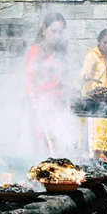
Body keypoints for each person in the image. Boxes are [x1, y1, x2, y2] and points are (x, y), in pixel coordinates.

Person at [25, 12, 68, 155]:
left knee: (58, 143)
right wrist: (34, 103)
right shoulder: (36, 50)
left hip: (58, 104)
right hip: (41, 104)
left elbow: (64, 76)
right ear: (44, 29)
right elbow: (28, 78)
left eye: (60, 32)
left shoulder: (61, 51)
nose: (57, 36)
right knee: (43, 144)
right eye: (53, 31)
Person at [81, 29, 107, 162]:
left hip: (106, 99)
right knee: (93, 129)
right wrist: (85, 75)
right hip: (93, 99)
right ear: (99, 41)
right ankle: (92, 158)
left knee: (103, 128)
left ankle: (101, 156)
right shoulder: (92, 55)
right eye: (104, 42)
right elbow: (84, 71)